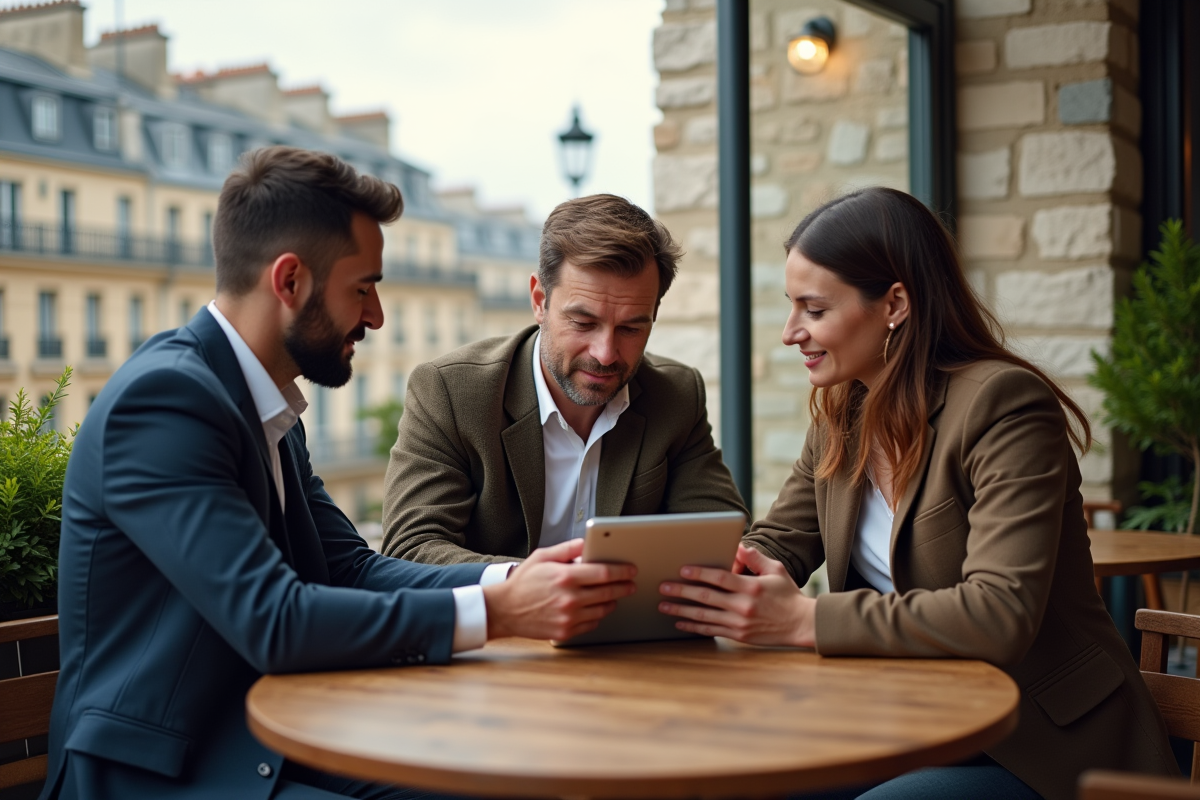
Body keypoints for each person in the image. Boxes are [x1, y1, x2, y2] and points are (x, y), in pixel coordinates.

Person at [41, 147, 636, 800]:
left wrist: (515, 576)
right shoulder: (165, 403)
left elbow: (352, 567)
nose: (376, 315)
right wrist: (498, 610)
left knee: (512, 778)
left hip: (271, 737)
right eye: (363, 287)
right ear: (290, 281)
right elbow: (274, 620)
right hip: (158, 774)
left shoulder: (265, 404)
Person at [656, 187, 1176, 800]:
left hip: (1040, 741)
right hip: (907, 716)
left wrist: (803, 619)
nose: (790, 332)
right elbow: (783, 539)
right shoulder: (840, 411)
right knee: (726, 778)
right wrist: (727, 570)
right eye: (791, 307)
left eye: (814, 309)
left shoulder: (1003, 406)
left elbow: (998, 613)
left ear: (895, 303)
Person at [381, 193, 747, 565]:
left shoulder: (676, 394)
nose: (605, 353)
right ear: (539, 300)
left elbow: (720, 540)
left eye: (631, 329)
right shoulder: (450, 392)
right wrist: (530, 585)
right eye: (584, 323)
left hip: (629, 624)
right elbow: (411, 548)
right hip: (503, 622)